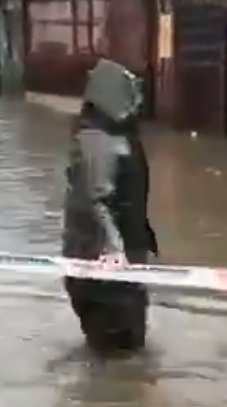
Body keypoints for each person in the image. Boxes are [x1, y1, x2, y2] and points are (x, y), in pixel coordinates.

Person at [62, 59, 158, 357]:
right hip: (105, 275)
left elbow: (123, 201)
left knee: (119, 355)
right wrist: (114, 251)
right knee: (121, 361)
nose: (138, 102)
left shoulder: (110, 136)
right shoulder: (99, 141)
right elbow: (97, 200)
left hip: (108, 270)